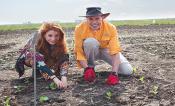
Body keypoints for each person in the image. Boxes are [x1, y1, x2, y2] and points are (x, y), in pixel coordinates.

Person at [74, 7, 133, 85]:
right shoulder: (79, 28)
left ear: (102, 18)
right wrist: (86, 68)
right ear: (86, 19)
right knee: (90, 42)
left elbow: (115, 51)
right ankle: (90, 69)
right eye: (91, 19)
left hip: (106, 50)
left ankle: (112, 73)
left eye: (97, 18)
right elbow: (79, 51)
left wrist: (114, 73)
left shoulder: (111, 28)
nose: (94, 22)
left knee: (127, 71)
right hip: (90, 52)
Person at [15, 22, 69, 89]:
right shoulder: (37, 39)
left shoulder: (60, 44)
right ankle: (41, 72)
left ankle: (48, 73)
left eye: (56, 35)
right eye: (50, 35)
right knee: (35, 57)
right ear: (44, 35)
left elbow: (64, 60)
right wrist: (55, 78)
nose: (53, 39)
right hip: (31, 59)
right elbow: (36, 58)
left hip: (47, 60)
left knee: (64, 55)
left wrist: (64, 78)